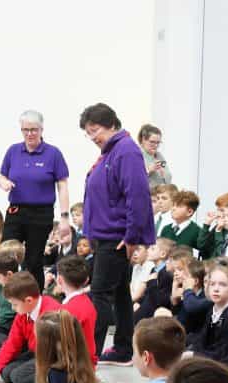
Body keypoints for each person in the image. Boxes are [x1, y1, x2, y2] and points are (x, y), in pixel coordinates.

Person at [79, 103, 154, 364]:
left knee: (99, 294)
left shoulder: (126, 151)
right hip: (104, 234)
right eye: (87, 132)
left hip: (117, 236)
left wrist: (133, 235)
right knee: (120, 291)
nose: (92, 137)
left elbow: (137, 195)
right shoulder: (109, 151)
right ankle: (122, 347)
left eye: (95, 130)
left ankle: (91, 354)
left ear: (111, 124)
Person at [0, 110, 71, 290]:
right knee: (6, 257)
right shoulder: (13, 151)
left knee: (33, 260)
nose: (30, 134)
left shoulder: (53, 154)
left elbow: (62, 186)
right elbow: (1, 176)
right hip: (16, 210)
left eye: (34, 129)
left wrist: (64, 217)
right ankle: (7, 301)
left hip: (41, 213)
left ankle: (34, 302)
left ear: (41, 129)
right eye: (25, 130)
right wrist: (4, 182)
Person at [0, 272, 62, 383]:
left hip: (53, 358)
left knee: (18, 380)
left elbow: (57, 354)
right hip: (36, 353)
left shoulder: (51, 313)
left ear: (29, 300)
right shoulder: (23, 313)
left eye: (14, 304)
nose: (12, 308)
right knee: (6, 372)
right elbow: (11, 344)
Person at [188, 265, 228, 359]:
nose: (216, 289)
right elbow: (202, 339)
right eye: (212, 284)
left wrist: (194, 355)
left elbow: (222, 352)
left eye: (222, 284)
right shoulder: (213, 310)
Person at [138, 123, 173, 188]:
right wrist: (148, 170)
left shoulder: (159, 156)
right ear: (143, 140)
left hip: (161, 194)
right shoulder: (136, 155)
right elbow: (134, 179)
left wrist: (163, 174)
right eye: (152, 142)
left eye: (158, 142)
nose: (156, 145)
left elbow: (168, 176)